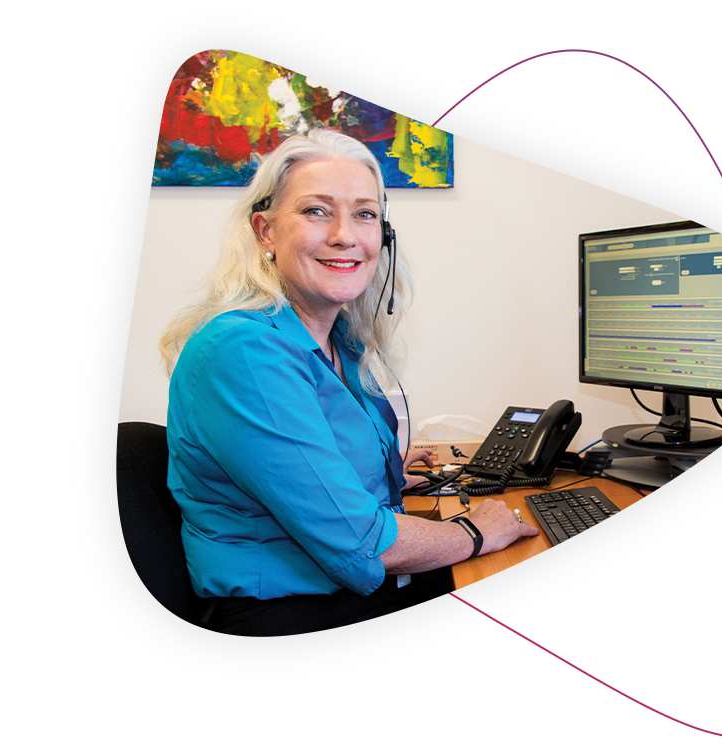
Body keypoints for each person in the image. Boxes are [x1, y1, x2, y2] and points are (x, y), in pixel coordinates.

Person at [159, 129, 539, 636]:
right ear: (265, 232)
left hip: (347, 596)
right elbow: (363, 543)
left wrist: (378, 471)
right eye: (317, 211)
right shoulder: (243, 349)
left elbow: (299, 471)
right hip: (294, 616)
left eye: (364, 214)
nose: (346, 235)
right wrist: (476, 531)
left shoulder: (336, 339)